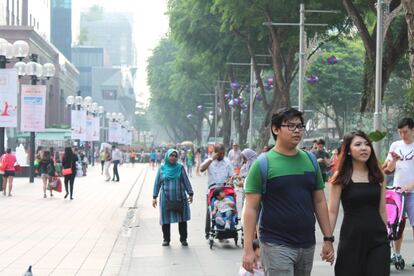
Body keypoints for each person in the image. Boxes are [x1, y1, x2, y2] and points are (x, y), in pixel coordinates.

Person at [242, 107, 334, 275]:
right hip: (275, 243)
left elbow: (319, 201)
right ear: (275, 129)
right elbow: (251, 208)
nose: (297, 130)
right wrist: (248, 249)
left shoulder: (310, 160)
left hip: (307, 243)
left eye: (300, 126)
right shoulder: (263, 164)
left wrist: (328, 238)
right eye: (290, 126)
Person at [328, 130, 389, 275]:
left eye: (367, 144)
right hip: (351, 239)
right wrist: (327, 240)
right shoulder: (340, 178)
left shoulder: (378, 175)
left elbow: (382, 210)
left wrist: (386, 233)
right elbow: (332, 211)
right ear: (348, 151)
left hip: (378, 240)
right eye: (358, 144)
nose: (364, 148)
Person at [384, 117, 414, 266]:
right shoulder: (395, 145)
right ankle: (396, 254)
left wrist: (410, 186)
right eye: (400, 132)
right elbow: (387, 169)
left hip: (412, 193)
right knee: (396, 225)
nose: (403, 135)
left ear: (413, 130)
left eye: (406, 132)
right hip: (397, 193)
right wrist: (394, 161)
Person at [152, 149, 194, 246]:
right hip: (166, 199)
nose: (173, 157)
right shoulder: (162, 168)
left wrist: (190, 193)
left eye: (175, 156)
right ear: (167, 156)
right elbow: (157, 183)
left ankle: (183, 239)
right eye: (171, 155)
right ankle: (166, 239)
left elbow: (186, 181)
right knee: (165, 220)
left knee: (182, 219)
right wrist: (154, 196)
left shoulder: (180, 168)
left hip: (180, 198)